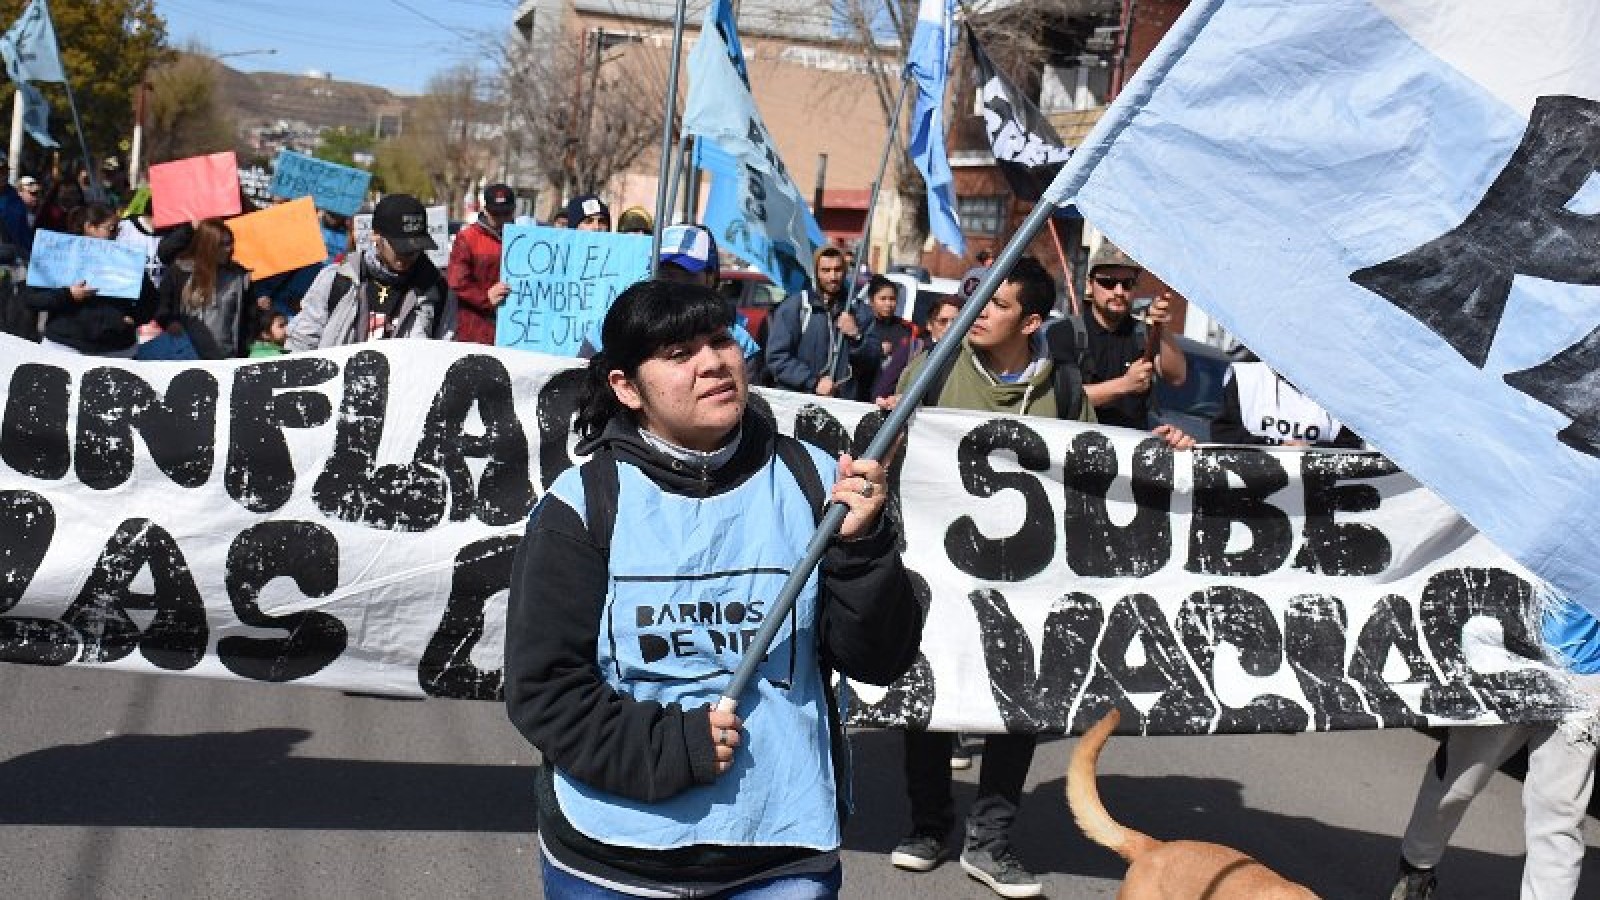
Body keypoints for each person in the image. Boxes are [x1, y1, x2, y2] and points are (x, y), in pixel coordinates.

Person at [504, 278, 922, 898]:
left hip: (780, 854)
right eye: (678, 354)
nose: (712, 364)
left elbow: (879, 659)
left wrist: (862, 549)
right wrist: (673, 745)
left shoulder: (815, 481)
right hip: (614, 860)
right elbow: (544, 691)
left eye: (720, 339)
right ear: (626, 387)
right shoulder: (582, 507)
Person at [882, 256, 1092, 900]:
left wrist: (1167, 449)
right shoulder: (936, 368)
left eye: (997, 305)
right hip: (938, 577)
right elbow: (884, 448)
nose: (980, 312)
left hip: (1028, 587)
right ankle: (928, 826)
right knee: (931, 698)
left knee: (1016, 708)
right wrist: (888, 421)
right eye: (977, 300)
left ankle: (991, 841)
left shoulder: (1064, 388)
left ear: (1030, 321)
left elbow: (1094, 471)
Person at [1387, 600, 1600, 900]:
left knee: (1560, 814)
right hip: (1510, 658)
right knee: (1457, 781)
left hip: (1587, 677)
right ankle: (1415, 875)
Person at [286, 193, 445, 351]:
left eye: (415, 248)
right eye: (400, 247)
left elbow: (445, 351)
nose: (408, 255)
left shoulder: (437, 291)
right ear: (376, 235)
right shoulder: (336, 279)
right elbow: (302, 341)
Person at [1077, 241, 1188, 433]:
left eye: (1127, 284)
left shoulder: (1144, 334)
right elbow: (1061, 399)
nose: (1119, 291)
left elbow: (1177, 376)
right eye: (1108, 283)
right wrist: (1125, 384)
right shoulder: (1064, 333)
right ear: (1090, 285)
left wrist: (1162, 327)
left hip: (1129, 454)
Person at [24, 203, 159, 358]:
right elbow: (33, 298)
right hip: (65, 346)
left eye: (118, 229)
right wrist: (69, 295)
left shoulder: (125, 258)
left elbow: (151, 299)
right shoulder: (59, 254)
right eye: (111, 229)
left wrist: (135, 318)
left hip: (116, 349)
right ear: (90, 227)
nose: (116, 234)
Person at [765, 246, 866, 397]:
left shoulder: (858, 309)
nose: (833, 276)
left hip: (844, 405)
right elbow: (777, 358)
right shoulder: (796, 307)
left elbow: (871, 361)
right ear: (816, 273)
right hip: (800, 401)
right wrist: (813, 382)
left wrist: (856, 336)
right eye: (826, 270)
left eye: (837, 269)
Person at [1209, 350, 1363, 447]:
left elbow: (1351, 446)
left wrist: (1310, 449)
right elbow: (1223, 434)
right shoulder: (1246, 378)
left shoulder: (1338, 389)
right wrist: (1277, 446)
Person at [158, 218, 250, 359]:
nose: (229, 248)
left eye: (230, 243)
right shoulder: (180, 271)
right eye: (222, 244)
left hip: (225, 358)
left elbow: (249, 317)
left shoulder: (238, 276)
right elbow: (161, 305)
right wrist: (169, 322)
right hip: (186, 355)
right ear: (208, 245)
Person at [447, 182, 515, 345]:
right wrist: (485, 298)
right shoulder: (468, 237)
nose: (500, 219)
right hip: (476, 330)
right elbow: (457, 281)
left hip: (512, 329)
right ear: (485, 209)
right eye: (495, 213)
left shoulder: (522, 239)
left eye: (505, 213)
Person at [850, 274, 918, 402]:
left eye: (892, 299)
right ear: (871, 300)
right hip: (860, 395)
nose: (888, 303)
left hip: (890, 398)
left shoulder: (906, 330)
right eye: (883, 299)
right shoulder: (862, 327)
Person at [0, 157, 34, 259]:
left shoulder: (15, 199)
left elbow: (23, 230)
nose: (3, 176)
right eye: (0, 172)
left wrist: (30, 254)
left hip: (12, 257)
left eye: (5, 172)